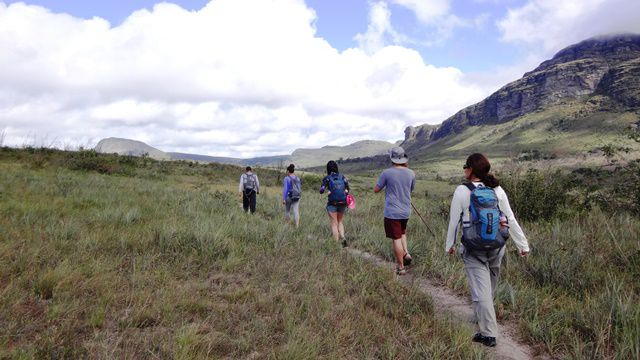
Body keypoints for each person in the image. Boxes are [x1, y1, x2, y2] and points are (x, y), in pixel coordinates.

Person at [445, 153, 530, 348]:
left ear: (471, 170)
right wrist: (522, 245)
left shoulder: (461, 191)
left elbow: (454, 222)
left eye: (466, 166)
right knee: (488, 288)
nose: (464, 169)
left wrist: (449, 245)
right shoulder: (497, 189)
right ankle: (483, 315)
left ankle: (489, 334)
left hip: (473, 248)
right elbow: (510, 218)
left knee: (480, 291)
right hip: (497, 246)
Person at [374, 147, 416, 275]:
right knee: (402, 233)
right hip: (406, 210)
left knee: (396, 238)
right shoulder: (411, 173)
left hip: (392, 211)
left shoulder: (386, 173)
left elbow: (376, 189)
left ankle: (400, 267)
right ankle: (406, 253)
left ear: (392, 158)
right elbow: (411, 189)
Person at [320, 160, 350, 247]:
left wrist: (327, 191)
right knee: (340, 221)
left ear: (328, 169)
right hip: (343, 202)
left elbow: (321, 190)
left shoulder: (327, 178)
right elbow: (347, 190)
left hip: (332, 203)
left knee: (334, 223)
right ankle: (343, 238)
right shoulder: (343, 177)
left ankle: (336, 244)